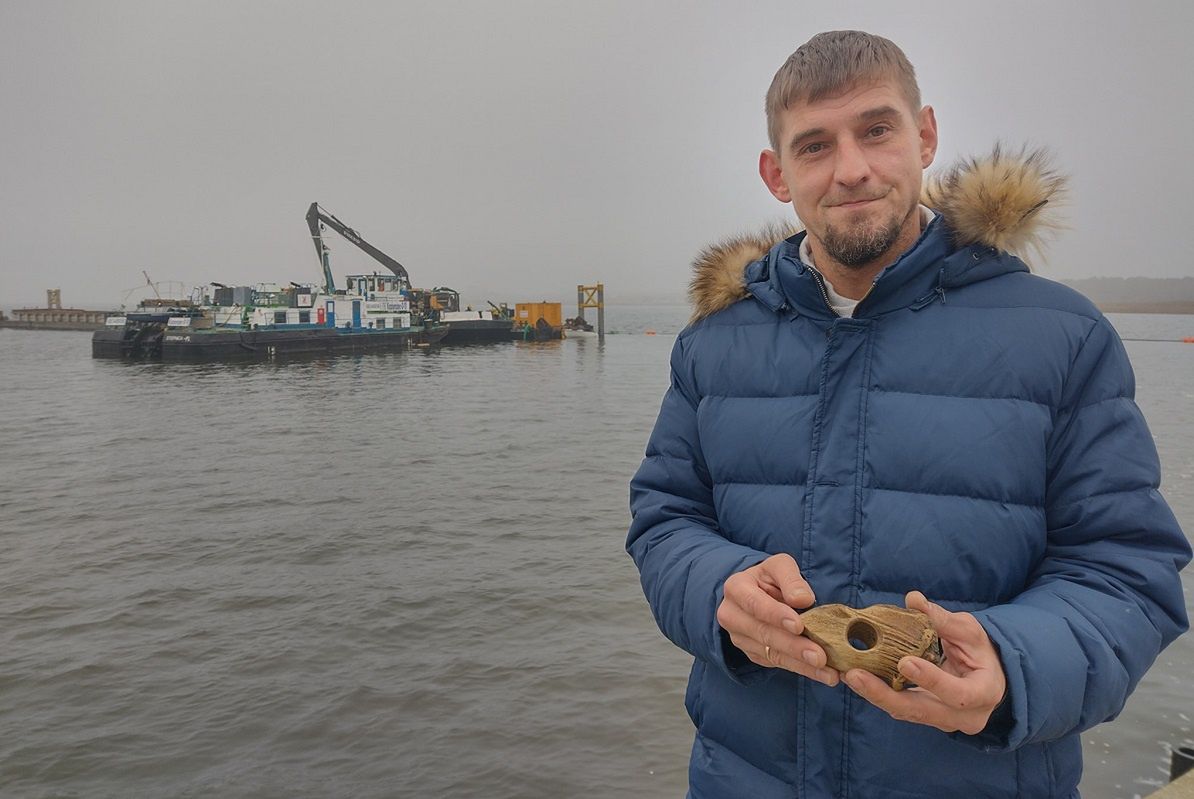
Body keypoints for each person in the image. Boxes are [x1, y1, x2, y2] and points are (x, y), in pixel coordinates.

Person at [626, 30, 1190, 798]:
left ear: (925, 136)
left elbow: (1128, 569)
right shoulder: (714, 346)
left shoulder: (1064, 336)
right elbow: (663, 520)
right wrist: (717, 589)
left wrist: (1012, 668)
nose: (851, 168)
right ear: (776, 174)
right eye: (815, 145)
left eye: (877, 130)